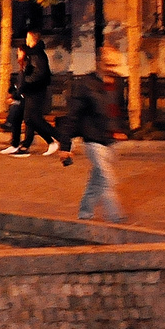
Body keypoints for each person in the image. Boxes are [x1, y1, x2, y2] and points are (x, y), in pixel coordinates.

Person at [59, 46, 129, 222]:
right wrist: (65, 146)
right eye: (109, 64)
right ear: (100, 63)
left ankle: (85, 212)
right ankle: (116, 217)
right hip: (93, 140)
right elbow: (73, 115)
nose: (112, 68)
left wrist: (122, 129)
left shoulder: (118, 82)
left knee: (96, 180)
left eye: (115, 64)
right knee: (107, 179)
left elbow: (120, 109)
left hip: (111, 140)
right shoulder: (86, 84)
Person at [1, 45, 60, 156]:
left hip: (31, 98)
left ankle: (53, 141)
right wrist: (13, 94)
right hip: (25, 97)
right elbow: (18, 84)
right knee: (20, 114)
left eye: (19, 52)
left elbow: (25, 83)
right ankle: (16, 144)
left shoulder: (30, 65)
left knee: (31, 119)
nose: (17, 54)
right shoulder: (23, 65)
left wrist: (17, 95)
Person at [20, 29, 54, 153]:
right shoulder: (32, 54)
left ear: (33, 39)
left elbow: (39, 73)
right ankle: (26, 144)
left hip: (36, 90)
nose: (26, 40)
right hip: (33, 90)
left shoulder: (37, 54)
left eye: (28, 38)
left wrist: (26, 82)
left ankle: (59, 138)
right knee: (30, 118)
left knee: (33, 118)